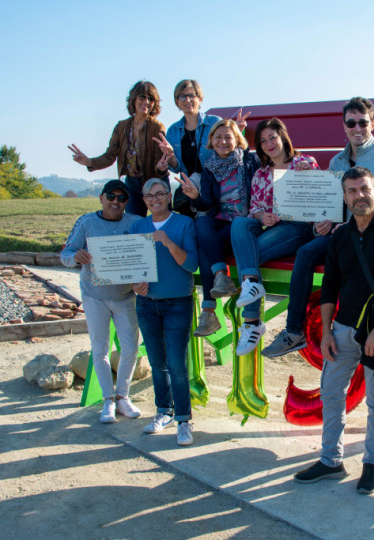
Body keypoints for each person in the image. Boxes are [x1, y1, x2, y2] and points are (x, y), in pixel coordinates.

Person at [262, 96, 374, 358]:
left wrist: (365, 192)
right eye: (351, 123)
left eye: (362, 122)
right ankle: (294, 332)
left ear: (372, 123)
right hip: (345, 233)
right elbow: (334, 205)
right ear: (344, 126)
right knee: (306, 252)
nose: (357, 128)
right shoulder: (337, 162)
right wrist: (325, 221)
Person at [293, 167, 374, 495]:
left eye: (365, 189)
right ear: (344, 197)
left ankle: (372, 465)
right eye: (352, 191)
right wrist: (327, 331)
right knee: (330, 393)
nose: (360, 195)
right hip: (343, 328)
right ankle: (331, 460)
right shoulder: (341, 236)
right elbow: (330, 284)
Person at [225, 117, 319, 355]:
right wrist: (261, 216)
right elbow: (254, 208)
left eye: (273, 137)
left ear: (283, 137)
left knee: (248, 254)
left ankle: (251, 323)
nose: (269, 144)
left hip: (298, 228)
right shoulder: (261, 174)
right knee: (240, 223)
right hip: (274, 228)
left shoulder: (304, 163)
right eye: (263, 141)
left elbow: (321, 199)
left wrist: (309, 176)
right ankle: (252, 287)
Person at [60, 180, 142, 424]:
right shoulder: (86, 223)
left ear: (127, 202)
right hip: (94, 296)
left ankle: (123, 396)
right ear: (102, 198)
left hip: (126, 295)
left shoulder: (136, 222)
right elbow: (65, 254)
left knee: (130, 348)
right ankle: (107, 399)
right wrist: (76, 256)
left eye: (121, 198)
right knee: (100, 349)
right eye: (111, 196)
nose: (116, 202)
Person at [130, 178, 199, 446]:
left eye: (160, 194)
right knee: (157, 362)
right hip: (147, 303)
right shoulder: (138, 227)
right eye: (149, 196)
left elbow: (191, 265)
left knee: (177, 364)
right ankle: (163, 411)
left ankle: (183, 419)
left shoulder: (184, 224)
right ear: (144, 200)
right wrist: (135, 284)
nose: (155, 199)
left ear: (169, 196)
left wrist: (168, 243)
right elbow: (132, 264)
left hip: (178, 302)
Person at [177, 119, 260, 338]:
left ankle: (209, 311)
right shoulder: (209, 168)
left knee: (206, 248)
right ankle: (221, 275)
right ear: (211, 141)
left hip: (245, 222)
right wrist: (196, 196)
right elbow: (207, 205)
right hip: (221, 221)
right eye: (218, 137)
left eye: (228, 137)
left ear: (237, 140)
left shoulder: (249, 161)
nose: (223, 141)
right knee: (201, 223)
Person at [68, 81, 168, 217]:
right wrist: (89, 162)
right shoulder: (121, 127)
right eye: (142, 97)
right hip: (132, 183)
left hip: (154, 182)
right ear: (133, 99)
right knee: (133, 223)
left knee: (163, 221)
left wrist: (161, 168)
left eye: (151, 99)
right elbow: (110, 156)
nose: (146, 102)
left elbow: (160, 161)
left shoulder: (157, 127)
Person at [151, 80, 250, 218]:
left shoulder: (214, 122)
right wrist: (171, 155)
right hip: (189, 188)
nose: (188, 100)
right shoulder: (173, 131)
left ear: (200, 98)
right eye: (182, 96)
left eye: (192, 95)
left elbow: (230, 150)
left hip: (214, 187)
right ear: (177, 101)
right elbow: (177, 167)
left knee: (205, 224)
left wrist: (238, 131)